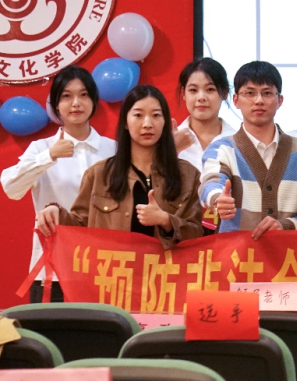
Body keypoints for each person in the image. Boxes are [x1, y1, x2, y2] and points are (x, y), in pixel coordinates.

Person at [35, 85, 204, 248]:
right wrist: (56, 211)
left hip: (165, 268)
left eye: (156, 115)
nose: (147, 123)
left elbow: (198, 235)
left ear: (165, 122)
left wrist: (166, 221)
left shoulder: (188, 175)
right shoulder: (99, 174)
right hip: (113, 267)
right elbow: (80, 227)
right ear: (125, 122)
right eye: (138, 115)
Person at [2, 66, 117, 302]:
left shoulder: (112, 149)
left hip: (103, 267)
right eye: (66, 96)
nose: (76, 103)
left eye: (83, 95)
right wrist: (49, 156)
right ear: (56, 104)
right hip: (52, 269)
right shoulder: (42, 148)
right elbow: (11, 187)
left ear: (94, 101)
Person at [200, 61, 297, 237]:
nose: (258, 100)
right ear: (236, 100)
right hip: (235, 254)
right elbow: (211, 182)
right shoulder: (222, 149)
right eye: (250, 93)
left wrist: (287, 225)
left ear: (279, 100)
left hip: (287, 254)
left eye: (267, 93)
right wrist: (218, 199)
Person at [174, 57, 235, 170]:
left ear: (225, 93)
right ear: (183, 94)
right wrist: (171, 151)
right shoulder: (171, 142)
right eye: (193, 90)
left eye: (210, 89)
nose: (201, 97)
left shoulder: (237, 142)